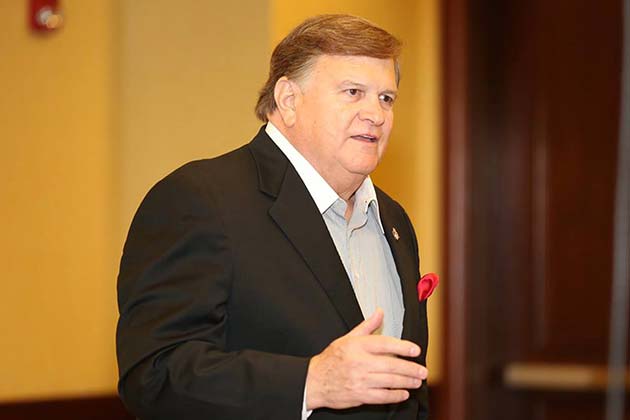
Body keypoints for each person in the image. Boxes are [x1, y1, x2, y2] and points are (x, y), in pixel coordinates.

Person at [116, 14, 429, 420]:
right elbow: (154, 375)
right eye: (353, 92)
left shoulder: (394, 220)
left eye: (386, 98)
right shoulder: (202, 200)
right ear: (288, 100)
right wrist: (310, 383)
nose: (376, 114)